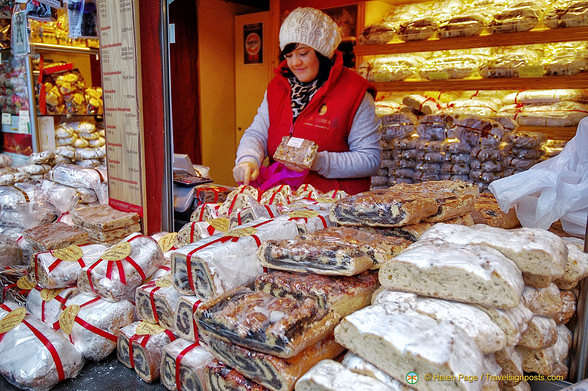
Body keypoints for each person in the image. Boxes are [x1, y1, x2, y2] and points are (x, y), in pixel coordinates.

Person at [232, 7, 381, 195]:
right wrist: (248, 159)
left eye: (303, 53)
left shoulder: (355, 92)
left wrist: (317, 161)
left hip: (333, 208)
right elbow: (257, 134)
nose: (294, 63)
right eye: (288, 55)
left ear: (323, 52)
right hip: (282, 202)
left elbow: (370, 160)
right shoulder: (278, 87)